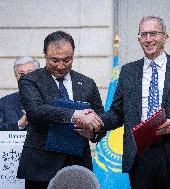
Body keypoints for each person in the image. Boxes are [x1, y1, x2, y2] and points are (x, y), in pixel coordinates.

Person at [99, 16, 170, 189]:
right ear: (139, 38)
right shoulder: (128, 72)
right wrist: (96, 122)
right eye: (144, 34)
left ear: (165, 36)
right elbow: (117, 113)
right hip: (139, 156)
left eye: (154, 34)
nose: (149, 39)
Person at [16, 31, 104, 189]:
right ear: (44, 55)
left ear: (73, 54)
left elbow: (101, 119)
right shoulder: (30, 80)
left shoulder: (87, 83)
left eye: (67, 60)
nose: (61, 66)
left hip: (78, 167)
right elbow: (36, 111)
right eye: (54, 60)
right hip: (41, 167)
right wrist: (76, 114)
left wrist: (94, 132)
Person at [0, 56, 40, 131]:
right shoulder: (5, 102)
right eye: (22, 74)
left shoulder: (50, 98)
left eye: (30, 72)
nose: (26, 77)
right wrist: (19, 124)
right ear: (17, 77)